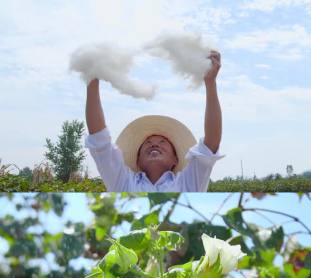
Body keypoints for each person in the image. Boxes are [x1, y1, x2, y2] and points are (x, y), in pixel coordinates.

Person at [84, 51, 223, 192]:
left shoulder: (189, 183)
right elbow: (99, 140)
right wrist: (92, 79)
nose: (154, 144)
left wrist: (210, 82)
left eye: (162, 142)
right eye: (148, 143)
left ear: (175, 159)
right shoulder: (122, 182)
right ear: (138, 160)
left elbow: (210, 144)